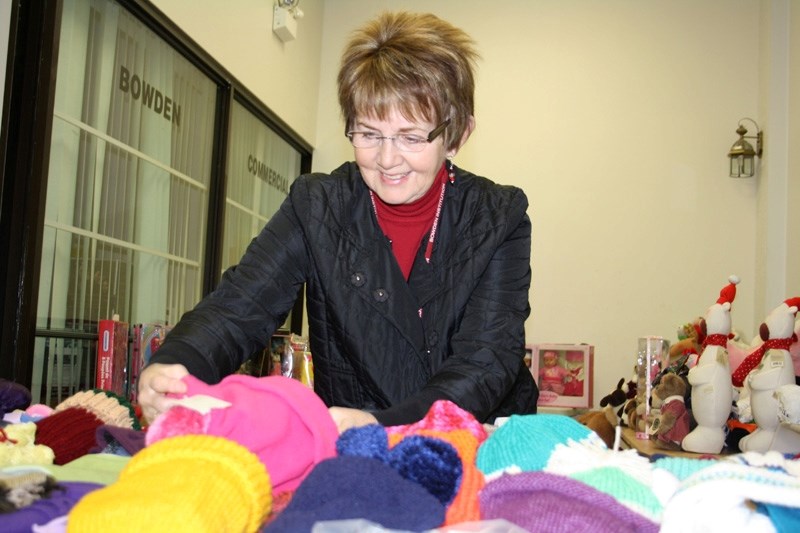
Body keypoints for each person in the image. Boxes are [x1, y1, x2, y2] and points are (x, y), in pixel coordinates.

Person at [137, 11, 538, 433]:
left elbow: (485, 359)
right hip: (352, 434)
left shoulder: (497, 216)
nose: (387, 159)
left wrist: (384, 424)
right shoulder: (318, 205)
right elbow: (240, 307)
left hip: (473, 435)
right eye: (368, 133)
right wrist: (174, 364)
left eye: (411, 137)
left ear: (456, 135)